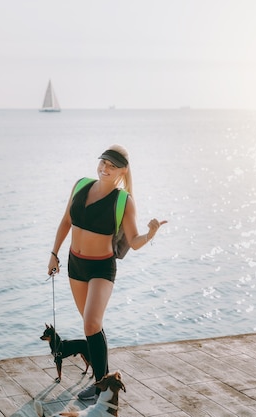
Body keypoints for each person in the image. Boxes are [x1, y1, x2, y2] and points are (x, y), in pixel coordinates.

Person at [47, 144, 166, 400]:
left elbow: (133, 241)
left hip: (101, 266)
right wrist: (54, 254)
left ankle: (102, 385)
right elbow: (66, 221)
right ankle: (105, 381)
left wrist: (151, 234)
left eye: (112, 166)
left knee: (91, 323)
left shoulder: (124, 201)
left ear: (123, 171)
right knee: (92, 326)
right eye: (103, 162)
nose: (105, 169)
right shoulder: (80, 185)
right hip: (74, 263)